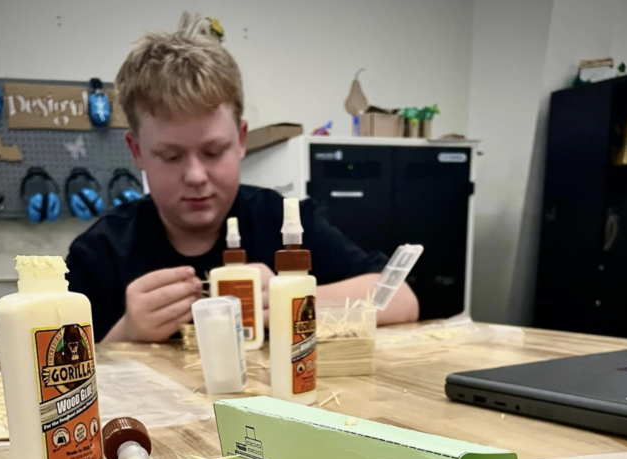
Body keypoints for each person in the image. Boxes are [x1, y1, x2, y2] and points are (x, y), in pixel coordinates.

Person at [67, 15, 419, 344]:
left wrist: (291, 301)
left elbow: (402, 299)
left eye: (213, 151)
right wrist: (128, 332)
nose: (195, 176)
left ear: (241, 140)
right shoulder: (99, 254)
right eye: (171, 156)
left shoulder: (286, 223)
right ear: (137, 150)